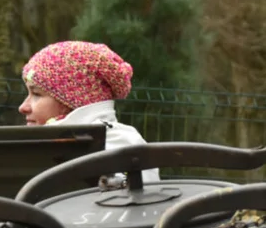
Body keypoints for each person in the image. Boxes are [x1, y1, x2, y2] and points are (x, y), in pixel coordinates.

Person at [19, 41, 160, 182]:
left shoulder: (120, 148)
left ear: (71, 100)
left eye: (36, 94)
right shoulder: (127, 143)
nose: (23, 107)